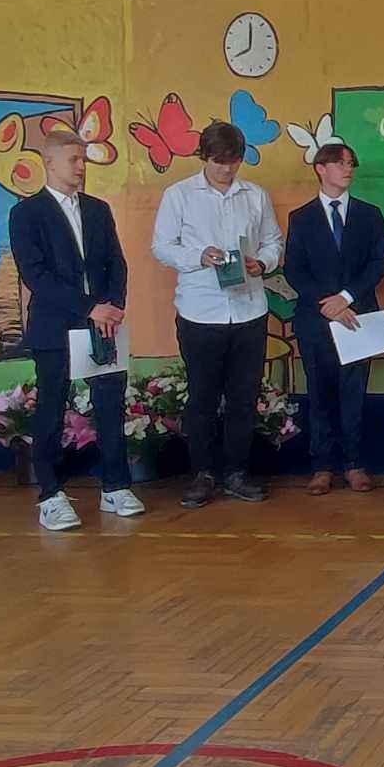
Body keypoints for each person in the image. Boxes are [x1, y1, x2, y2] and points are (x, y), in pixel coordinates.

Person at [7, 128, 142, 530]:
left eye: (84, 159)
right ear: (49, 163)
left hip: (103, 324)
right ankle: (50, 494)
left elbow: (116, 263)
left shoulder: (98, 209)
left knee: (110, 403)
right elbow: (35, 275)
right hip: (55, 325)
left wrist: (112, 307)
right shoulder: (27, 213)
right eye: (74, 159)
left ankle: (115, 486)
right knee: (51, 406)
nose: (82, 166)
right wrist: (88, 307)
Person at [152, 121, 283, 509]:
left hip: (249, 310)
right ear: (204, 157)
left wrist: (263, 262)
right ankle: (203, 473)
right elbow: (161, 246)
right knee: (203, 398)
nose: (227, 169)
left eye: (234, 161)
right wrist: (199, 256)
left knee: (244, 397)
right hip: (200, 311)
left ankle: (237, 473)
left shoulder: (255, 195)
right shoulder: (179, 195)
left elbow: (274, 242)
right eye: (219, 161)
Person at [283, 142, 384, 497]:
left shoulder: (369, 214)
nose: (348, 169)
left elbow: (377, 263)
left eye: (351, 164)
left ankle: (354, 463)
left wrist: (346, 298)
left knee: (353, 393)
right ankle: (322, 466)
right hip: (316, 319)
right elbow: (294, 269)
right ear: (321, 168)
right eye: (341, 163)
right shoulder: (301, 218)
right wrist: (327, 303)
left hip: (357, 317)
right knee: (320, 392)